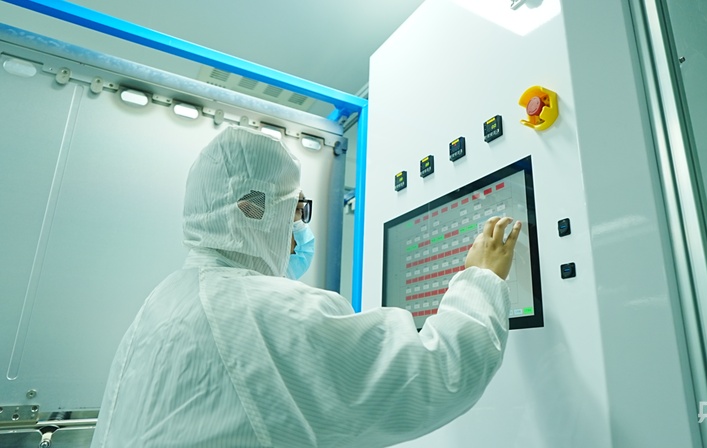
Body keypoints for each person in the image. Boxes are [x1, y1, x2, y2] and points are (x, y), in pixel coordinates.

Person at [91, 126, 522, 448]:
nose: (300, 227)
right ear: (255, 209)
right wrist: (480, 279)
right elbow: (437, 375)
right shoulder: (270, 312)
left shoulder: (166, 299)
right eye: (297, 208)